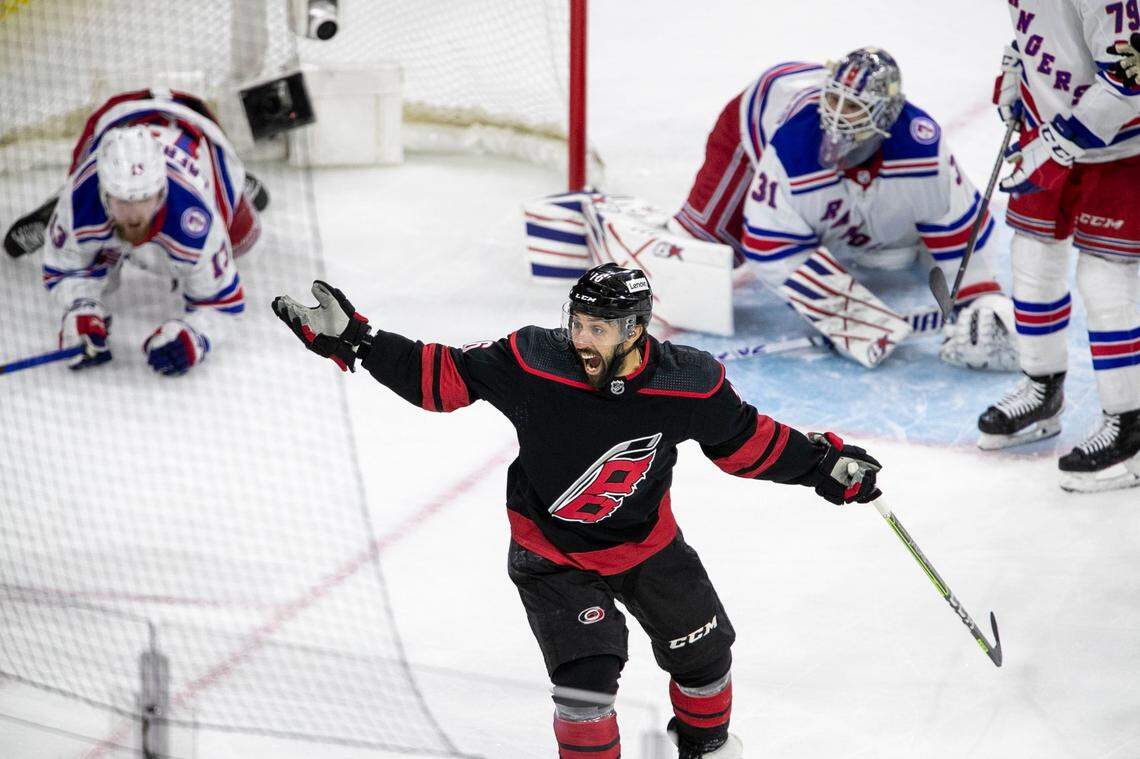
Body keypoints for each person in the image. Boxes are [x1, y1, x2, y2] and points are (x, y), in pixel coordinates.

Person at [272, 263, 885, 758]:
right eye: (579, 323)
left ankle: (706, 749)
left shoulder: (687, 384)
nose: (582, 338)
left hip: (648, 546)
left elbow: (748, 443)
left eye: (599, 327)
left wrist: (823, 467)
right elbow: (441, 378)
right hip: (551, 557)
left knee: (705, 659)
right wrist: (361, 340)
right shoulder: (533, 361)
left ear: (636, 330)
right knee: (585, 686)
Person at [674, 48, 1018, 369]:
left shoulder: (921, 150)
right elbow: (770, 246)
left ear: (885, 112)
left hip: (861, 166)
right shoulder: (793, 145)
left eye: (852, 106)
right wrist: (850, 317)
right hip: (757, 115)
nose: (836, 115)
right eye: (833, 98)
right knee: (706, 249)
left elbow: (960, 228)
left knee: (887, 229)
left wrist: (981, 297)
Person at [978, 2, 1140, 492]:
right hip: (1052, 127)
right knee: (1031, 259)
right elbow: (1051, 32)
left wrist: (1055, 146)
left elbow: (1129, 80)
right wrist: (1018, 65)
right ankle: (1042, 389)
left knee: (1106, 281)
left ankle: (1130, 428)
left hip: (1121, 148)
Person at [28, 89, 266, 375]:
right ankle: (68, 216)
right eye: (122, 200)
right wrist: (81, 307)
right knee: (99, 242)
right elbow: (64, 269)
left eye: (143, 199)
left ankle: (242, 186)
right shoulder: (83, 194)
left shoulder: (196, 220)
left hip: (196, 131)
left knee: (244, 240)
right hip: (117, 116)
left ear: (162, 190)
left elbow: (223, 303)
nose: (134, 214)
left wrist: (196, 338)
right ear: (105, 192)